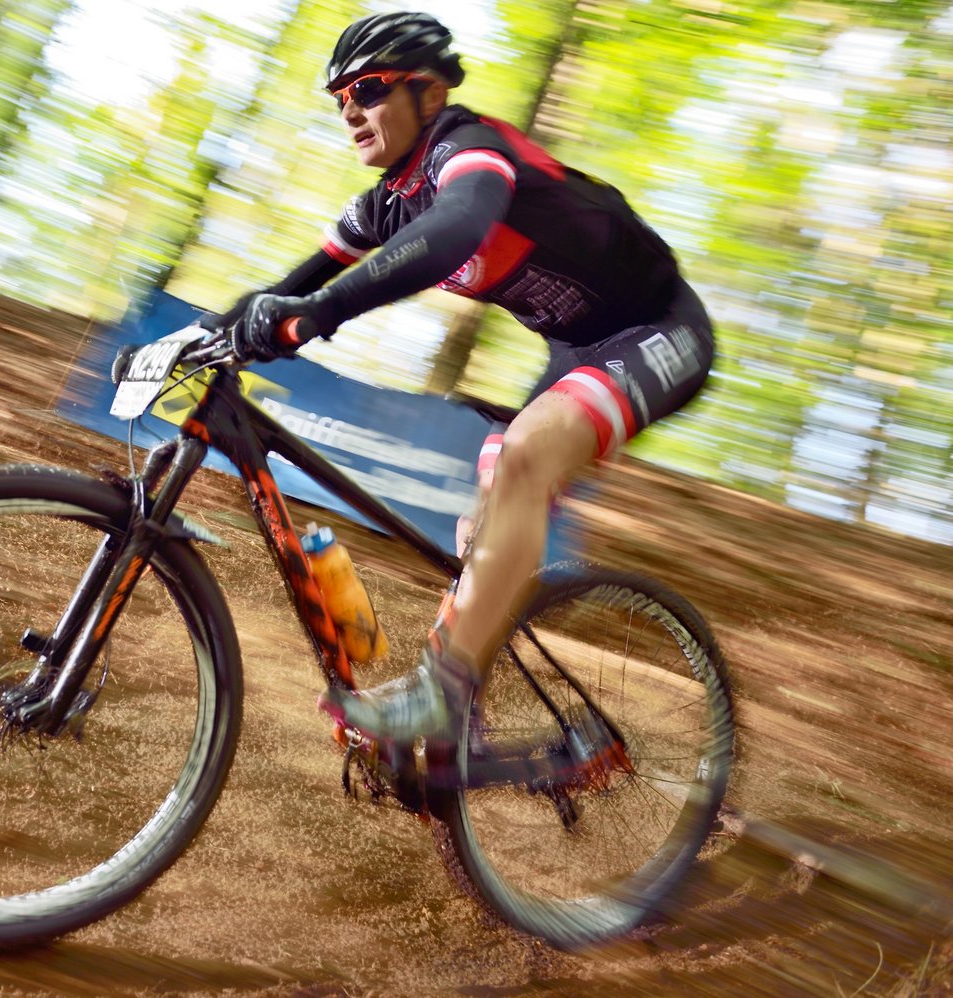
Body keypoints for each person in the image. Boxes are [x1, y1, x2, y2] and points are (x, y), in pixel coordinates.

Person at [211, 12, 714, 751]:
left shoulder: (467, 147)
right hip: (575, 351)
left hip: (660, 329)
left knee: (525, 456)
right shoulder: (385, 204)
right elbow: (286, 288)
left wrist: (321, 312)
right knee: (485, 516)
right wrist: (201, 338)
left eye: (369, 89)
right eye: (340, 97)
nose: (349, 109)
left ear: (430, 91)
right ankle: (461, 719)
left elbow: (453, 232)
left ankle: (442, 695)